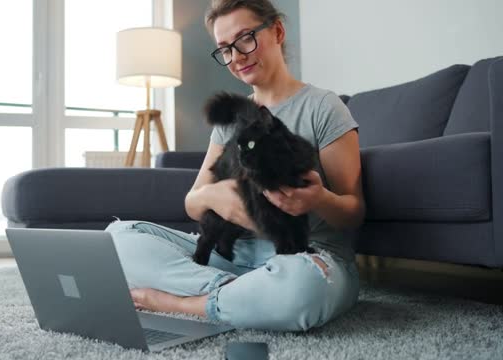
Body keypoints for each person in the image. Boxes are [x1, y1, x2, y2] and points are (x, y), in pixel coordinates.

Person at [105, 0, 365, 331]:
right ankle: (247, 296)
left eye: (245, 38)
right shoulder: (231, 120)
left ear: (278, 31)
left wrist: (318, 199)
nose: (237, 57)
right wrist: (216, 195)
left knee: (303, 288)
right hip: (231, 258)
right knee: (117, 237)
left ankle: (183, 303)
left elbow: (354, 212)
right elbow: (192, 202)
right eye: (225, 48)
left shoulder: (323, 107)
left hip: (306, 258)